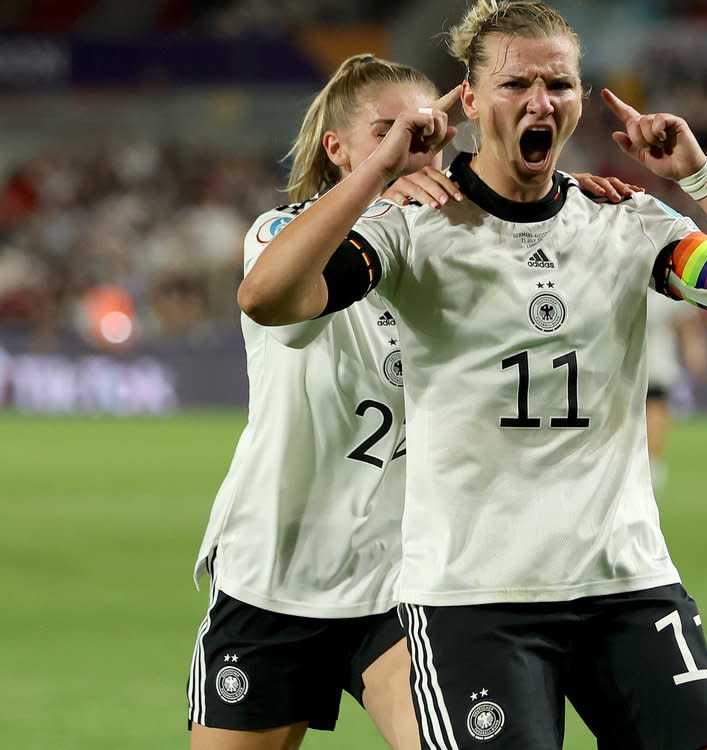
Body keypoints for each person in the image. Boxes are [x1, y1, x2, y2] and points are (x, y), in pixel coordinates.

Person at [237, 2, 707, 749]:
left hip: (625, 584)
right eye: (517, 85)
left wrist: (700, 177)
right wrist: (381, 172)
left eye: (561, 84)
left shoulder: (629, 223)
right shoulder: (413, 229)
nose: (541, 102)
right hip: (476, 598)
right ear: (471, 101)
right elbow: (271, 298)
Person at [185, 50, 639, 750]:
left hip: (405, 582)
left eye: (424, 131)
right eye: (386, 134)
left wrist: (579, 196)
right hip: (274, 570)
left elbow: (531, 216)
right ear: (338, 150)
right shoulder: (281, 235)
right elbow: (278, 302)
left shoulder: (457, 239)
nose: (408, 149)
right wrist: (378, 189)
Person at [645, 290, 707, 486]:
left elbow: (686, 324)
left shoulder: (664, 284)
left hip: (655, 364)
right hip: (625, 369)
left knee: (654, 412)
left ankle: (653, 470)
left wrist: (696, 351)